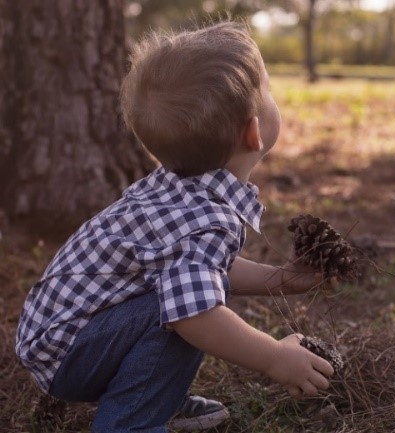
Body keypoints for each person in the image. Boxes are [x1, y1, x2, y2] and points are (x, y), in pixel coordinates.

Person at [15, 21, 334, 433]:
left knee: (181, 296)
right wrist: (274, 355)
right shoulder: (205, 219)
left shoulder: (176, 186)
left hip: (60, 338)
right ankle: (131, 422)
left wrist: (280, 279)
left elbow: (205, 268)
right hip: (70, 352)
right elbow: (195, 313)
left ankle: (157, 395)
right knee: (181, 312)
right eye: (268, 92)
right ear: (253, 132)